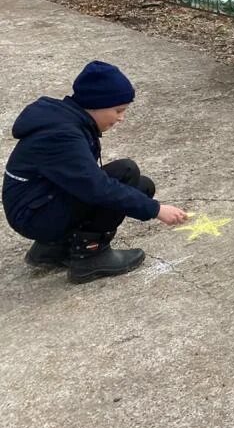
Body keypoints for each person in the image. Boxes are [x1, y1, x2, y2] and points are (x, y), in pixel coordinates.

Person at [3, 61, 189, 283]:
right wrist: (156, 210)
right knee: (125, 173)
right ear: (96, 104)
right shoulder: (62, 134)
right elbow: (96, 188)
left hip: (37, 205)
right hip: (34, 216)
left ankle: (52, 249)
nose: (121, 118)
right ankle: (90, 256)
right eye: (118, 110)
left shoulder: (65, 120)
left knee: (140, 185)